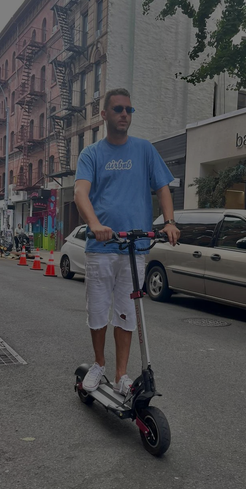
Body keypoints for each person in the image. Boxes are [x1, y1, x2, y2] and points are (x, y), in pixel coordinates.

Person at [74, 88, 180, 396]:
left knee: (126, 312)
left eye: (129, 110)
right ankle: (98, 364)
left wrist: (169, 223)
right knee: (97, 311)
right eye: (118, 109)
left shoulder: (145, 150)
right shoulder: (91, 154)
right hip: (101, 247)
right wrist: (95, 224)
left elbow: (163, 189)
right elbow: (81, 192)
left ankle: (121, 375)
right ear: (105, 115)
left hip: (135, 247)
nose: (124, 114)